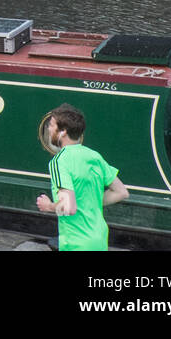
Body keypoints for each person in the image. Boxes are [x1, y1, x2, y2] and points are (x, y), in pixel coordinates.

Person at [36, 103, 129, 251]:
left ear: (63, 131)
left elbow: (68, 208)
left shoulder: (59, 161)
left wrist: (48, 206)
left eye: (52, 125)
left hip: (76, 243)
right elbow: (121, 192)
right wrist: (88, 203)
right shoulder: (94, 156)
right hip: (99, 239)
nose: (48, 128)